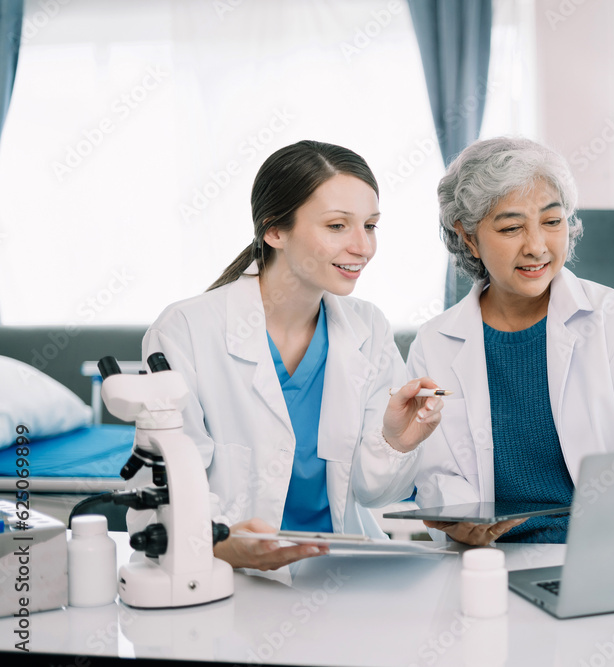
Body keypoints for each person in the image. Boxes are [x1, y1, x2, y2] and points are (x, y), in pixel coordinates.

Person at [133, 140, 443, 572]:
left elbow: (373, 494)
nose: (363, 247)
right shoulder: (185, 330)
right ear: (274, 231)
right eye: (337, 225)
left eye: (370, 226)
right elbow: (161, 489)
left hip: (341, 572)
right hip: (230, 577)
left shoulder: (368, 328)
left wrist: (396, 441)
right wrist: (221, 544)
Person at [408, 137, 614, 546]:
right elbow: (437, 472)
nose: (537, 247)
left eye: (553, 221)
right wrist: (461, 517)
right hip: (489, 559)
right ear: (468, 237)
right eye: (511, 228)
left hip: (603, 554)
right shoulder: (436, 342)